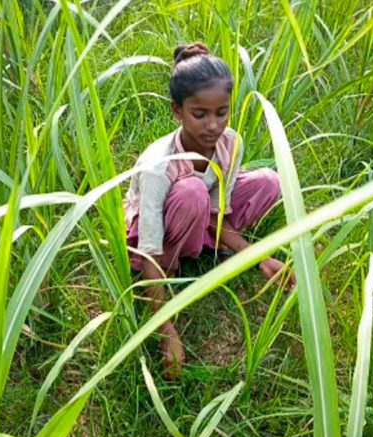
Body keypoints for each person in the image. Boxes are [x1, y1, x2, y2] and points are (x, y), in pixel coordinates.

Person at [124, 42, 293, 380]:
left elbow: (219, 213)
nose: (213, 125)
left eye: (222, 112)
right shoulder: (160, 166)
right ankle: (183, 262)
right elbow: (148, 250)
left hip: (201, 214)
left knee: (269, 182)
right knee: (192, 191)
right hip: (154, 241)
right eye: (199, 114)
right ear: (177, 111)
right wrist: (166, 332)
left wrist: (259, 257)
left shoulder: (231, 143)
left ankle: (208, 245)